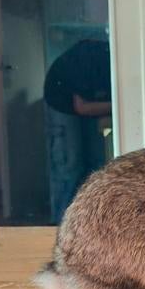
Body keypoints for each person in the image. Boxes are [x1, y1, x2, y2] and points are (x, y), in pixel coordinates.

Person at [42, 39, 113, 222]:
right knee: (70, 168)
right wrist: (118, 105)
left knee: (95, 165)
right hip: (61, 104)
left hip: (85, 102)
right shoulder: (88, 61)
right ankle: (59, 225)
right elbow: (82, 107)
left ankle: (87, 223)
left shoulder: (110, 66)